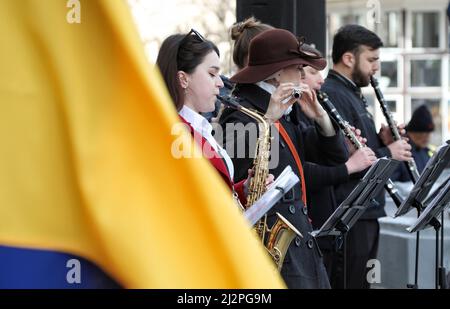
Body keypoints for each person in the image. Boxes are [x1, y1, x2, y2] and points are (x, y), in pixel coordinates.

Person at [219, 28, 350, 288]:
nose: (304, 75)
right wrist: (267, 119)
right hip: (273, 248)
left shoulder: (284, 107)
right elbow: (231, 166)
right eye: (299, 67)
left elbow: (334, 156)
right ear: (278, 73)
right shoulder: (242, 109)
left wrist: (321, 118)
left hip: (299, 241)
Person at [321, 24, 412, 289]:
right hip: (351, 213)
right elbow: (342, 157)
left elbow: (359, 145)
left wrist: (381, 140)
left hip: (367, 211)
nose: (376, 68)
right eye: (371, 60)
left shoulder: (351, 92)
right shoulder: (335, 94)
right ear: (349, 58)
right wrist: (389, 152)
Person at [156, 29, 274, 207]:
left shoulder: (200, 129)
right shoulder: (173, 133)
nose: (220, 83)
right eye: (212, 74)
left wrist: (244, 190)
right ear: (183, 79)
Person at [298, 44, 377, 285]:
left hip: (328, 222)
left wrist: (346, 148)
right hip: (316, 221)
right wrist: (349, 166)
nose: (320, 80)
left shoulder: (309, 109)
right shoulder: (294, 112)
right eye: (313, 72)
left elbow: (329, 156)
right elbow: (301, 171)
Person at [392, 104, 436, 181]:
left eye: (429, 133)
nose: (427, 137)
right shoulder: (399, 152)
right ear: (411, 132)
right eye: (422, 133)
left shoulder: (425, 151)